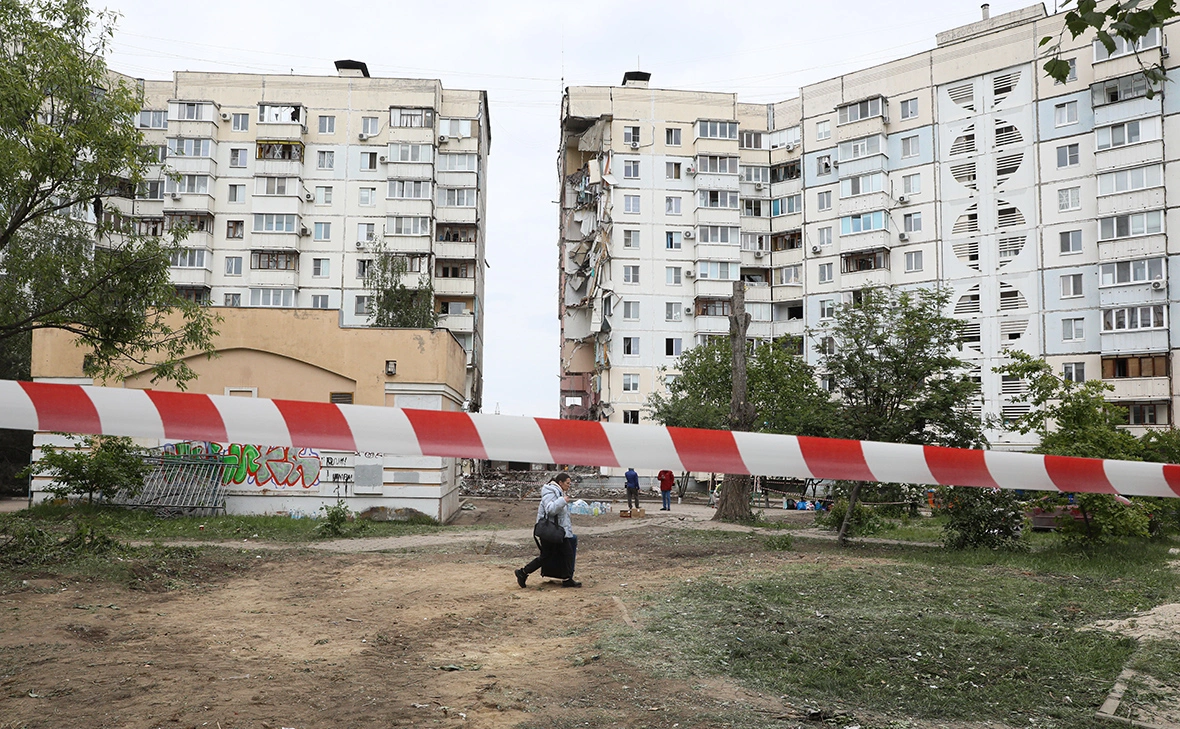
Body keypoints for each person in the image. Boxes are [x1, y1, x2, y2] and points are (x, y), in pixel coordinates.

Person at [515, 473, 581, 588]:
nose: (569, 486)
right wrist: (562, 501)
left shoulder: (557, 491)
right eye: (567, 483)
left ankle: (567, 579)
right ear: (560, 483)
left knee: (562, 554)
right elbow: (550, 509)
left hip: (557, 530)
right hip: (551, 531)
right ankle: (523, 572)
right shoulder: (550, 491)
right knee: (551, 556)